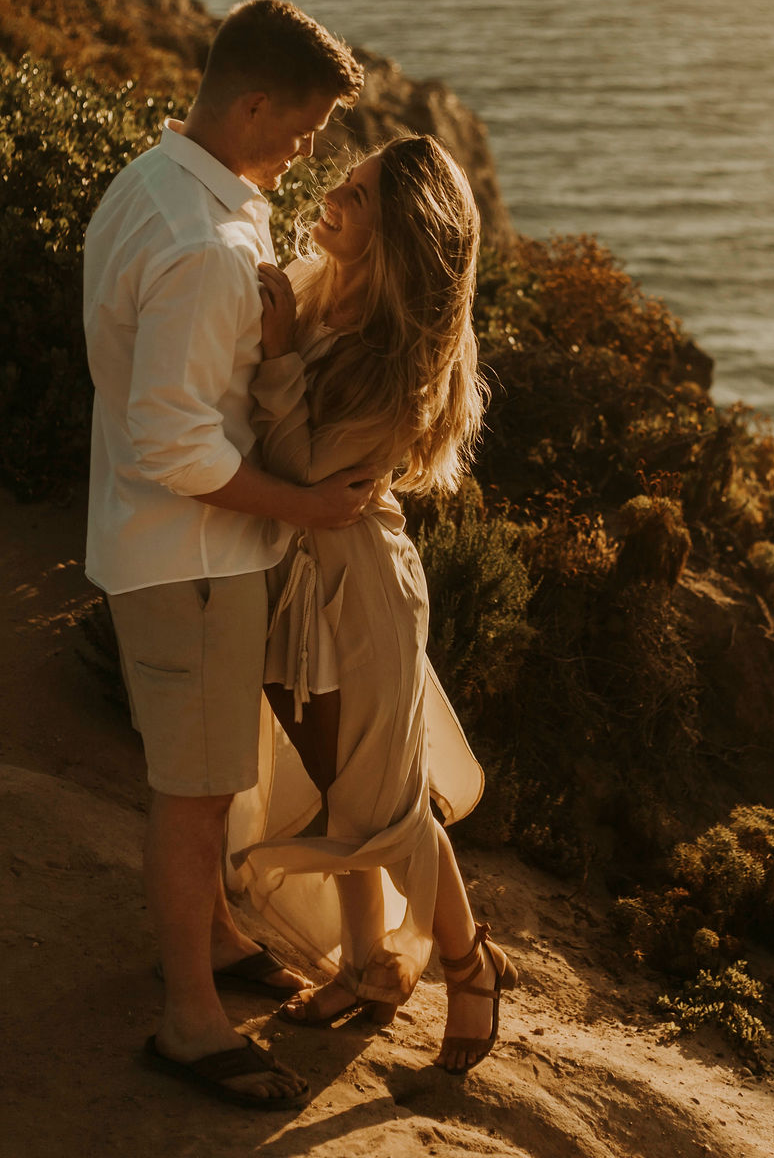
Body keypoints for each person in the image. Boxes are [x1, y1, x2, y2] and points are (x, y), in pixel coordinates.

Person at [83, 0, 372, 1111]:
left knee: (201, 773)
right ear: (251, 102)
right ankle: (190, 1020)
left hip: (162, 544)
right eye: (300, 132)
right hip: (192, 555)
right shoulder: (203, 245)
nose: (305, 154)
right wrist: (302, 505)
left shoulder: (152, 186)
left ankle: (206, 932)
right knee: (196, 793)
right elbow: (175, 441)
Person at [227, 131, 517, 1075]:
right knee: (335, 788)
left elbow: (301, 464)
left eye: (356, 196)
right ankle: (369, 966)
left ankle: (472, 970)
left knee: (382, 804)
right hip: (300, 580)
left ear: (396, 238)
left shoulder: (399, 354)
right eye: (344, 182)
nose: (333, 198)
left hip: (358, 591)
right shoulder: (319, 290)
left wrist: (275, 356)